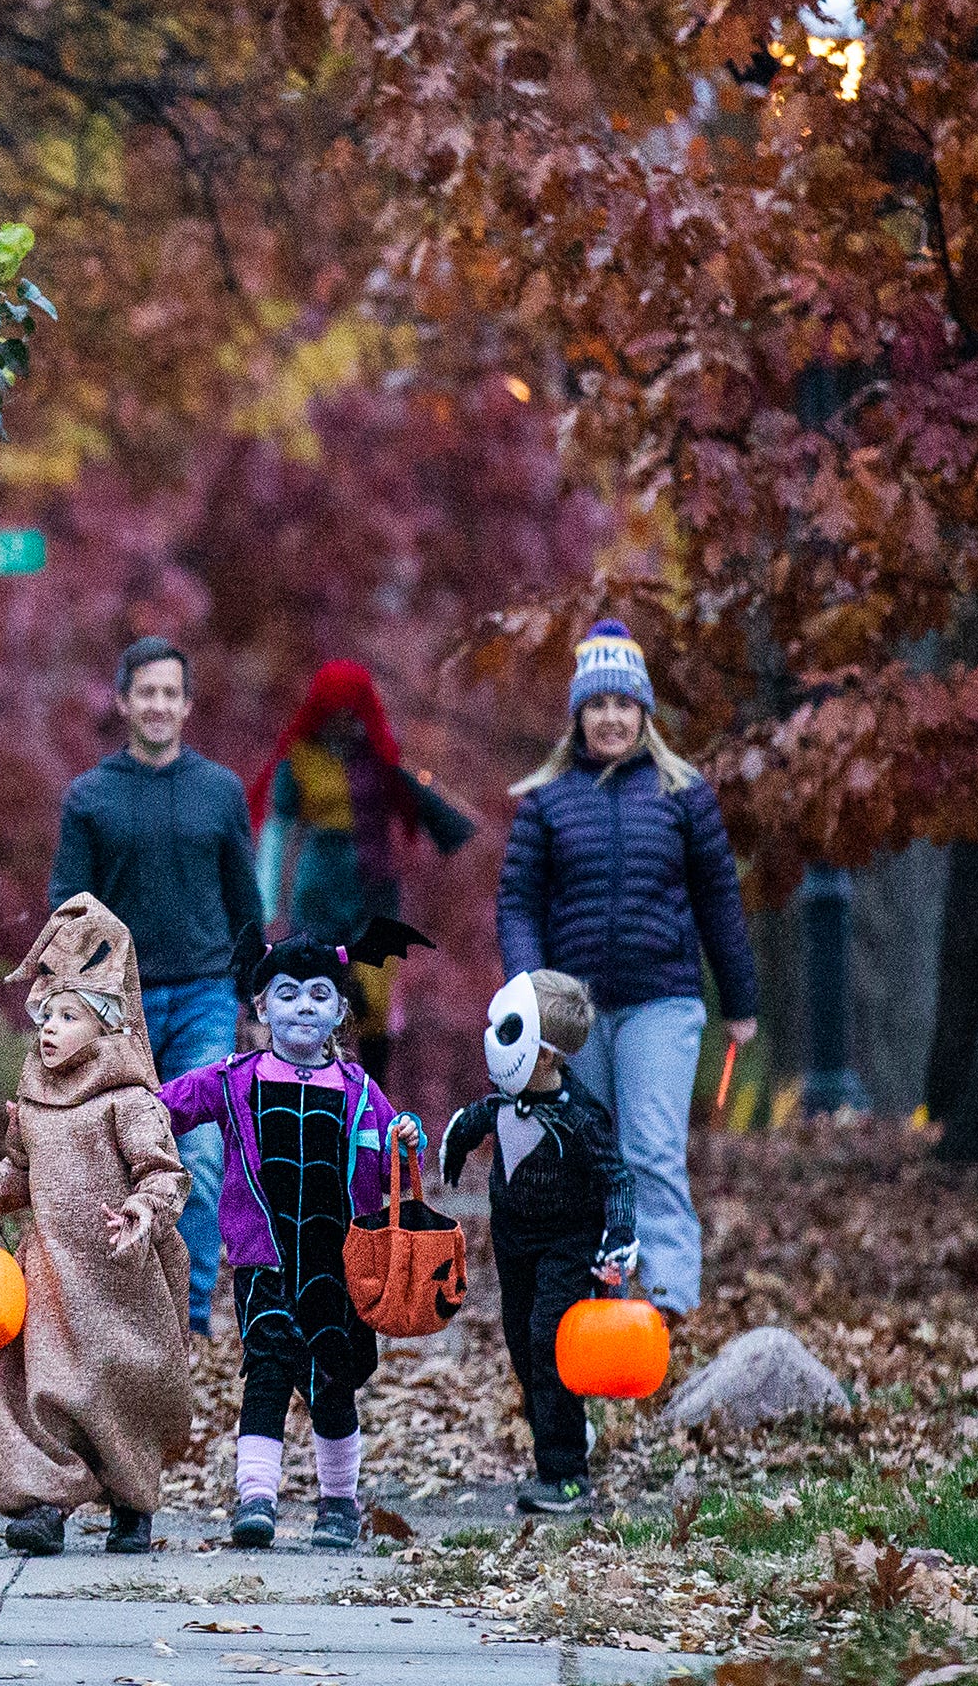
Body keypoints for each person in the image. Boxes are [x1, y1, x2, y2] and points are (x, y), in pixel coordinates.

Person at [0, 896, 197, 1558]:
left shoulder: (128, 1102)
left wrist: (144, 1209)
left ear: (108, 1027)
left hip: (119, 1281)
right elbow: (19, 1172)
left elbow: (166, 1175)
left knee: (119, 1389)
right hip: (49, 1275)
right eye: (46, 1016)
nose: (50, 1030)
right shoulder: (33, 1102)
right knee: (30, 1385)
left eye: (69, 1016)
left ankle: (131, 1500)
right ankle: (45, 1504)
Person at [496, 620, 758, 1325]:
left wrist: (739, 997)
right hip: (572, 1017)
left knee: (650, 1148)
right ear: (578, 715)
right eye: (597, 704)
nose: (611, 718)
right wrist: (528, 992)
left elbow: (718, 901)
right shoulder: (546, 805)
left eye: (624, 704)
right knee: (586, 1152)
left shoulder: (684, 795)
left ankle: (670, 1294)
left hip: (661, 1003)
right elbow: (518, 902)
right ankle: (597, 1292)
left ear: (645, 713)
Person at [160, 922, 429, 1552]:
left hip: (341, 1261)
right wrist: (111, 1115)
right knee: (269, 1370)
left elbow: (397, 1157)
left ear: (339, 1009)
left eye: (316, 994)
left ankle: (339, 1503)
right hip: (266, 1260)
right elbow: (163, 1107)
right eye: (285, 994)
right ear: (259, 1008)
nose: (301, 1006)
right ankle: (256, 1498)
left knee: (333, 1379)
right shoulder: (233, 1081)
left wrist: (407, 1138)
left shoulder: (362, 1092)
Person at [48, 636, 262, 1336]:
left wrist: (256, 998)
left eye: (172, 693)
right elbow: (67, 913)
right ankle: (122, 1312)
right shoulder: (90, 798)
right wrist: (63, 1005)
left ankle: (190, 1317)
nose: (160, 704)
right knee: (118, 1156)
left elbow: (244, 905)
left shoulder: (220, 793)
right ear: (123, 701)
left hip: (204, 994)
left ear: (188, 704)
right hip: (115, 1005)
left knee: (196, 1152)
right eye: (147, 692)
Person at [440, 970, 637, 1515]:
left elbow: (616, 1178)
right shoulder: (505, 1100)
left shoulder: (581, 1117)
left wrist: (618, 1236)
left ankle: (566, 1473)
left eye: (509, 1031)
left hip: (567, 1243)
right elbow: (477, 1118)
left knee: (552, 1345)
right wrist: (458, 1139)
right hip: (513, 1240)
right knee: (523, 1344)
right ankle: (564, 1428)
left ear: (544, 1056)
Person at [250, 661, 477, 1087]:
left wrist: (448, 822)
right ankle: (310, 1088)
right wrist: (264, 901)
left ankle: (374, 1105)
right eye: (334, 709)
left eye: (351, 709)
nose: (342, 720)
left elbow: (415, 796)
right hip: (318, 891)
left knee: (374, 1003)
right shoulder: (300, 756)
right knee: (314, 994)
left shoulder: (379, 756)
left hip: (374, 891)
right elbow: (277, 829)